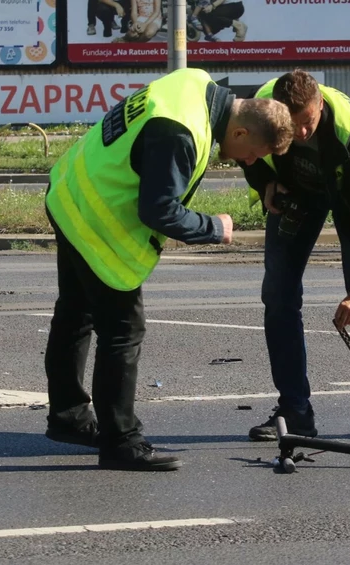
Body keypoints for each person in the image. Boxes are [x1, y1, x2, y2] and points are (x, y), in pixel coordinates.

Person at [43, 68, 294, 472]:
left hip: (71, 190)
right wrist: (215, 227)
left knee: (75, 314)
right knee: (123, 331)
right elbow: (159, 210)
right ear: (243, 132)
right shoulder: (181, 133)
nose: (249, 162)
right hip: (98, 221)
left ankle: (69, 417)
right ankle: (120, 442)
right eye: (253, 154)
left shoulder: (193, 83)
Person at [240, 70, 350, 443]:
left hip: (349, 194)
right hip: (298, 193)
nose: (300, 133)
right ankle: (295, 412)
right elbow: (243, 149)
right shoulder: (261, 108)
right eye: (291, 125)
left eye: (307, 123)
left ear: (319, 105)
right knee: (278, 297)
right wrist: (265, 184)